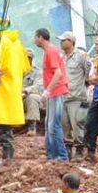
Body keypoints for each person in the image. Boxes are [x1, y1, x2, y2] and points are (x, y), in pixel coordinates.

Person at [0, 14, 31, 161]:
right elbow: (25, 68)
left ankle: (8, 157)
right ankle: (7, 156)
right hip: (12, 91)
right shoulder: (17, 43)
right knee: (5, 125)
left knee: (0, 124)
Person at [35, 28, 69, 162]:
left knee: (54, 125)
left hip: (57, 92)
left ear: (40, 37)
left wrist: (47, 90)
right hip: (53, 93)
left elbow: (58, 73)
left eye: (35, 37)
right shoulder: (49, 51)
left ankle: (61, 156)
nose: (34, 40)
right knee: (49, 125)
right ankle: (51, 155)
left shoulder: (51, 52)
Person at [59, 32, 91, 154]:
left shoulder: (81, 56)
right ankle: (67, 149)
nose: (61, 42)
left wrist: (84, 85)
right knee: (64, 124)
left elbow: (88, 73)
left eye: (64, 40)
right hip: (63, 97)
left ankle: (79, 149)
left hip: (77, 97)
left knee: (77, 124)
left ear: (71, 42)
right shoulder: (60, 57)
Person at [22, 51, 44, 135]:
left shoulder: (37, 71)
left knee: (33, 97)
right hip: (13, 97)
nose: (27, 59)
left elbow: (39, 86)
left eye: (29, 58)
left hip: (26, 97)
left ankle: (32, 126)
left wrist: (25, 91)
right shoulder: (14, 69)